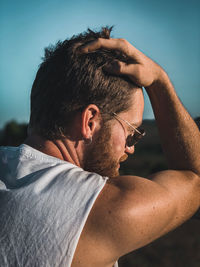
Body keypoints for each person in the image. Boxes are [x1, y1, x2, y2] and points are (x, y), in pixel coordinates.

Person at [0, 27, 200, 267]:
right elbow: (196, 180)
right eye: (132, 133)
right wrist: (159, 81)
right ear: (90, 121)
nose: (130, 149)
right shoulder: (99, 208)